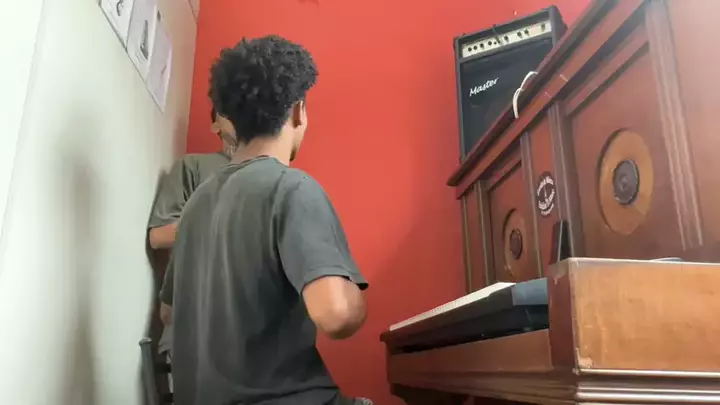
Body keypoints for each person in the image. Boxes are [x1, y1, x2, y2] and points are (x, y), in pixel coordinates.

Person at [161, 35, 370, 405]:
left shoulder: (195, 206)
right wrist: (354, 296)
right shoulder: (292, 188)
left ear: (230, 119)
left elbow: (168, 312)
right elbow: (336, 315)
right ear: (298, 111)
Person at [148, 108, 237, 357]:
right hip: (191, 325)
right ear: (215, 126)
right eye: (228, 108)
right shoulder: (193, 166)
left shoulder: (272, 178)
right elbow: (158, 236)